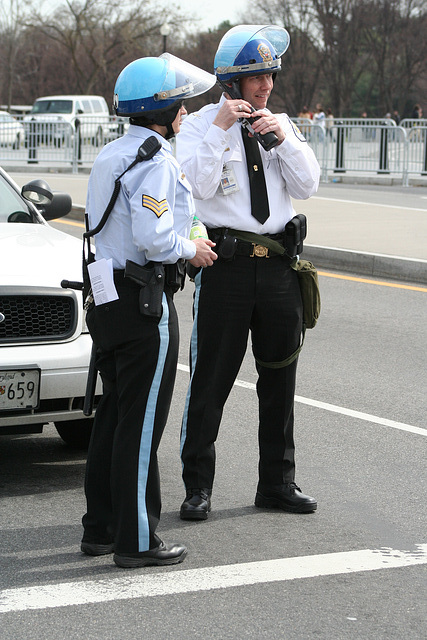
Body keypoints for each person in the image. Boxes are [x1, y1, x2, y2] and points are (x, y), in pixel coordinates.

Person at [176, 24, 320, 521]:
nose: (266, 86)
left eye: (270, 75)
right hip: (227, 269)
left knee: (279, 380)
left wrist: (283, 141)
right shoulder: (198, 126)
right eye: (256, 77)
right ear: (231, 82)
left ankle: (277, 483)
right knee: (211, 381)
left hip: (279, 269)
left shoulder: (278, 122)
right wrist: (219, 129)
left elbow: (309, 185)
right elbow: (194, 187)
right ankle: (198, 487)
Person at [80, 53, 217, 568]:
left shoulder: (112, 153)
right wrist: (192, 249)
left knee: (114, 417)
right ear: (163, 110)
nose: (185, 112)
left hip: (109, 297)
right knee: (140, 428)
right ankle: (137, 540)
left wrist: (183, 234)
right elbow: (155, 238)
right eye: (180, 104)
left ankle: (101, 528)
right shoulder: (156, 160)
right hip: (143, 302)